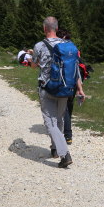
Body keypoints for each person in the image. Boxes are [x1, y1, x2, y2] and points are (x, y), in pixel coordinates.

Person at [31, 17, 85, 168]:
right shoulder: (68, 45)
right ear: (56, 28)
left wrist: (32, 58)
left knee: (50, 122)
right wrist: (80, 89)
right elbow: (75, 69)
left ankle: (64, 154)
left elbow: (34, 65)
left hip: (47, 87)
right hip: (66, 88)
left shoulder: (40, 45)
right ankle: (55, 149)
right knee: (59, 120)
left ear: (44, 29)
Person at [56, 28, 76, 145]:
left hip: (62, 83)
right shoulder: (74, 48)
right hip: (73, 82)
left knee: (64, 109)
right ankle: (68, 133)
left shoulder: (59, 48)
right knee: (69, 106)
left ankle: (67, 135)